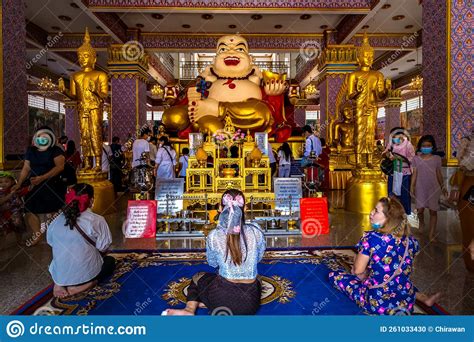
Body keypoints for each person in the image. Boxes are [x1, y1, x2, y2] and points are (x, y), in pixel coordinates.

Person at [329, 197, 438, 314]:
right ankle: (422, 297)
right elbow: (401, 268)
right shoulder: (411, 241)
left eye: (376, 211)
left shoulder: (370, 239)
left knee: (334, 276)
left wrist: (360, 271)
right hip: (405, 302)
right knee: (400, 282)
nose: (371, 212)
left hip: (377, 303)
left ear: (388, 219)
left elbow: (357, 271)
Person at [166, 189, 266, 316]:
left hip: (220, 299)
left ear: (220, 208)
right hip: (250, 305)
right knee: (258, 279)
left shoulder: (214, 235)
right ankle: (209, 303)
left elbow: (212, 263)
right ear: (245, 208)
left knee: (199, 276)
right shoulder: (256, 231)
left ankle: (189, 310)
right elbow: (258, 258)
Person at [47, 183, 115, 298]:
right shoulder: (97, 220)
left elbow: (51, 242)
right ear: (92, 200)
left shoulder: (55, 220)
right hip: (86, 275)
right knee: (110, 261)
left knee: (59, 256)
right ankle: (88, 284)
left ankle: (59, 282)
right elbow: (103, 247)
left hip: (61, 273)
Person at [14, 127, 66, 246]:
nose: (42, 138)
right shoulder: (31, 150)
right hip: (34, 184)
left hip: (52, 184)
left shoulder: (55, 150)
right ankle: (36, 235)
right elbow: (26, 168)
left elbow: (59, 167)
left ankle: (57, 235)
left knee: (53, 211)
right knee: (29, 209)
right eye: (39, 135)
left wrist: (42, 178)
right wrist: (19, 183)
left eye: (45, 136)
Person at [411, 135, 447, 241]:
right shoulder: (416, 159)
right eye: (424, 145)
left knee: (433, 211)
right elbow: (415, 173)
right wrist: (412, 186)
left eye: (428, 145)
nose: (426, 147)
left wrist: (443, 187)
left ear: (432, 147)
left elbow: (439, 174)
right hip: (420, 187)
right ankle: (422, 223)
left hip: (433, 188)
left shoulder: (437, 159)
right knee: (420, 210)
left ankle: (431, 234)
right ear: (420, 147)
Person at [382, 127, 415, 215]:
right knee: (392, 195)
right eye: (393, 137)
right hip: (393, 173)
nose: (395, 139)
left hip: (405, 174)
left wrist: (401, 159)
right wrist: (387, 154)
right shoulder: (391, 144)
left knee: (404, 195)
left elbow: (413, 159)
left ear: (403, 136)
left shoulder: (408, 145)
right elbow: (384, 153)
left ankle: (405, 214)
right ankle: (393, 214)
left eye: (397, 137)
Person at [455, 130, 474, 271]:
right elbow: (463, 163)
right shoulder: (467, 141)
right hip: (470, 184)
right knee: (469, 227)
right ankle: (471, 262)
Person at [0, 172, 26, 245]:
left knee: (18, 227)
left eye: (6, 181)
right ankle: (2, 244)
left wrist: (29, 188)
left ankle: (19, 240)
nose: (3, 184)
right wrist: (11, 194)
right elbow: (1, 201)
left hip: (15, 212)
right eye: (1, 182)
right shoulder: (1, 192)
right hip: (4, 214)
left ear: (12, 182)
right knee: (3, 230)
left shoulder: (14, 189)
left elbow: (22, 192)